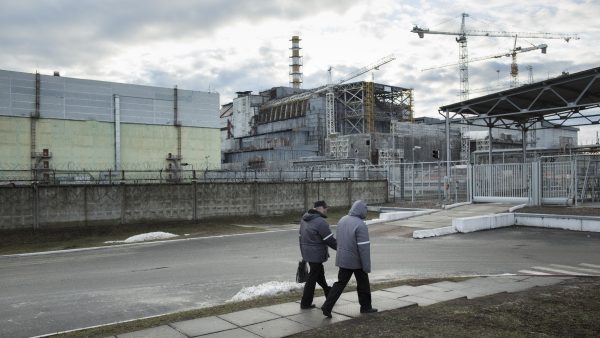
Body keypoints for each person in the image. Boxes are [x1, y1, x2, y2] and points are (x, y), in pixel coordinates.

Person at [321, 200, 377, 318]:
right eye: (365, 210)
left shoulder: (342, 220)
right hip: (357, 261)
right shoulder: (360, 225)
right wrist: (366, 265)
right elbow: (364, 248)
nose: (366, 212)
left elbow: (340, 240)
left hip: (343, 258)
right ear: (361, 210)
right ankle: (366, 307)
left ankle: (327, 306)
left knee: (340, 283)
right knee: (363, 284)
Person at [299, 200, 337, 309]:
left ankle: (328, 293)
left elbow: (300, 237)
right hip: (316, 254)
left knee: (319, 274)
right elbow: (329, 240)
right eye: (325, 208)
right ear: (320, 208)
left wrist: (303, 253)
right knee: (312, 278)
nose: (326, 210)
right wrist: (343, 248)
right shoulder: (320, 222)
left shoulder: (304, 219)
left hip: (308, 253)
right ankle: (305, 303)